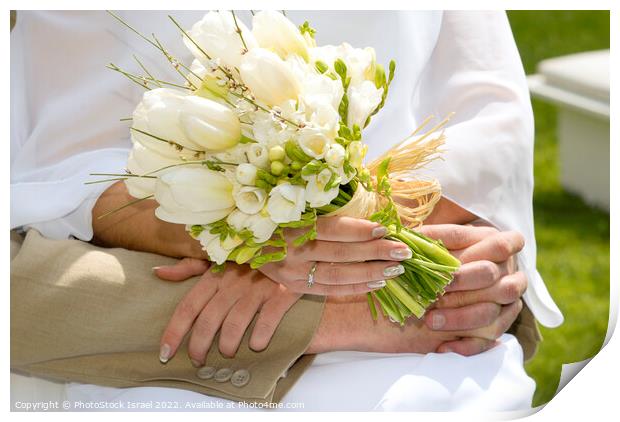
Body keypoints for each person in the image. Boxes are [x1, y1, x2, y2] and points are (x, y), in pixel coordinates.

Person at [10, 10, 563, 411]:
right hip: (175, 284)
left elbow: (491, 120)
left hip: (413, 259)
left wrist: (337, 237)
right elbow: (71, 170)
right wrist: (250, 241)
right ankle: (338, 323)